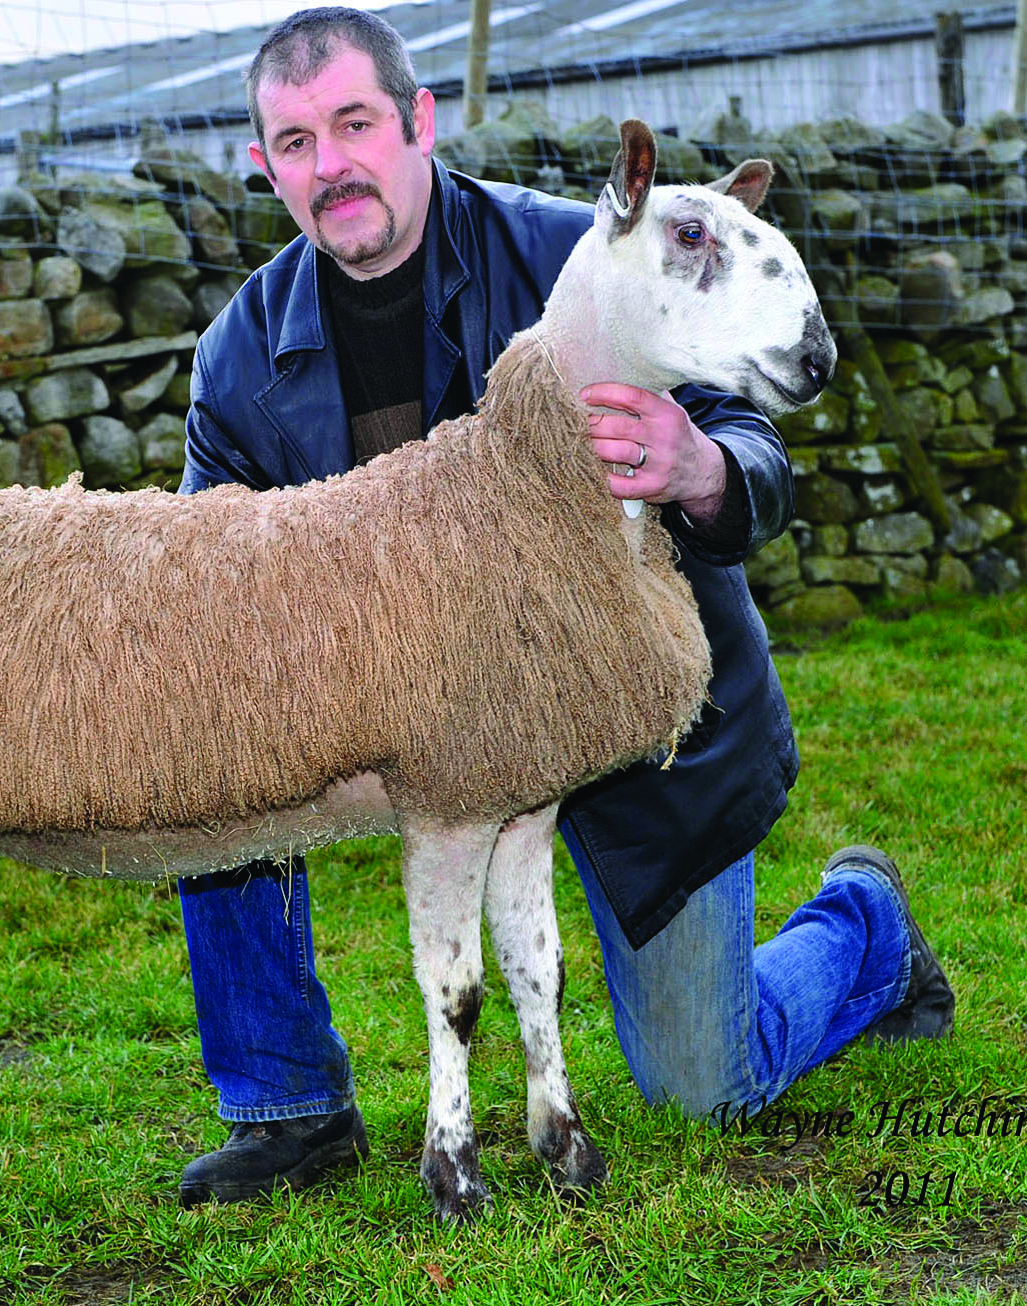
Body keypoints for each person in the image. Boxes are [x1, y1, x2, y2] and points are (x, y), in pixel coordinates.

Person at [174, 6, 954, 1206]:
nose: (329, 166)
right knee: (205, 741)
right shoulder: (240, 357)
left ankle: (867, 926)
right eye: (292, 143)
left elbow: (754, 447)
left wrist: (699, 465)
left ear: (419, 121)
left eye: (354, 124)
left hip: (635, 737)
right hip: (415, 724)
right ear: (261, 166)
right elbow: (207, 585)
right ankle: (286, 1105)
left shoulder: (573, 257)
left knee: (709, 1080)